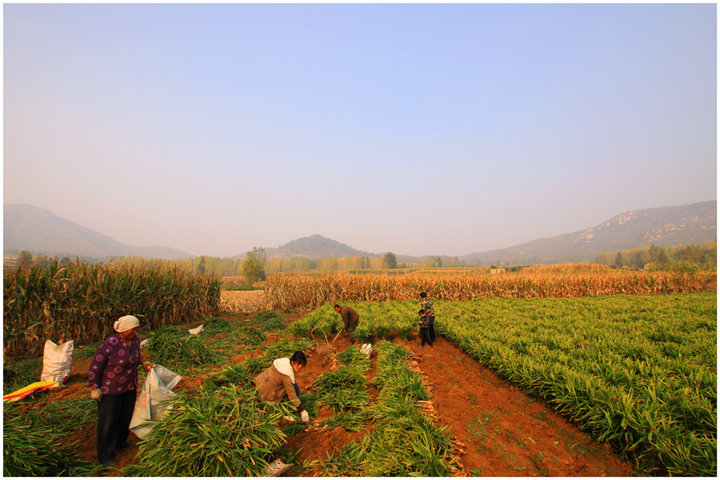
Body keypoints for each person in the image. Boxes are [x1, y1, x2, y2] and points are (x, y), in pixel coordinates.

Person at [88, 315, 153, 466]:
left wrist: (143, 363)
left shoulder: (135, 341)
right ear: (123, 329)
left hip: (129, 386)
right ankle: (106, 456)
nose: (134, 332)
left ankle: (121, 442)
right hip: (110, 389)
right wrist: (94, 387)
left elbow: (137, 357)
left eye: (136, 329)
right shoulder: (109, 344)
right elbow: (95, 366)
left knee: (125, 417)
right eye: (132, 330)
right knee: (108, 422)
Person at [254, 351, 310, 423]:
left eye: (301, 365)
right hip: (266, 394)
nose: (299, 367)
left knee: (291, 386)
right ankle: (288, 413)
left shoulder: (282, 363)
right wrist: (302, 411)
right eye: (298, 363)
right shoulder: (287, 375)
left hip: (259, 384)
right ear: (293, 362)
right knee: (294, 388)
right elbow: (292, 395)